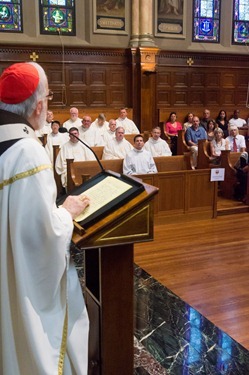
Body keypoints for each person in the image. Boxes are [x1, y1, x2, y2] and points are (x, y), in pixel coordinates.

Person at [0, 62, 90, 374]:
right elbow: (41, 234)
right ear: (39, 106)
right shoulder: (29, 152)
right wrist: (65, 214)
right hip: (20, 277)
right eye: (49, 97)